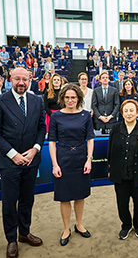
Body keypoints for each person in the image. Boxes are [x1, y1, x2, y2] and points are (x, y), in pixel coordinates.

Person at [0, 68, 46, 258]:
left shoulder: (37, 100)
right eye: (17, 79)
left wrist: (36, 148)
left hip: (31, 160)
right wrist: (13, 155)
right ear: (9, 80)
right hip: (9, 161)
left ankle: (24, 232)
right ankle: (11, 239)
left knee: (27, 200)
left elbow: (41, 128)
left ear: (30, 80)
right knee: (10, 202)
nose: (21, 82)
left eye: (25, 79)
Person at [48, 83, 94, 246]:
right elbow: (52, 142)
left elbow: (90, 138)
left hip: (81, 159)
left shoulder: (86, 115)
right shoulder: (56, 116)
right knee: (65, 196)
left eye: (73, 97)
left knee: (80, 195)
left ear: (78, 98)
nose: (70, 100)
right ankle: (66, 228)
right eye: (67, 97)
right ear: (62, 98)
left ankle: (79, 225)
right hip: (63, 159)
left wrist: (89, 159)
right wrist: (55, 164)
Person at [107, 99, 138, 240]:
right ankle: (126, 225)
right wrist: (110, 169)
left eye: (131, 110)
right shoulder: (115, 129)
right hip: (120, 174)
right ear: (122, 113)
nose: (129, 113)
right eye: (126, 111)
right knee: (122, 203)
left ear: (137, 112)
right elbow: (110, 151)